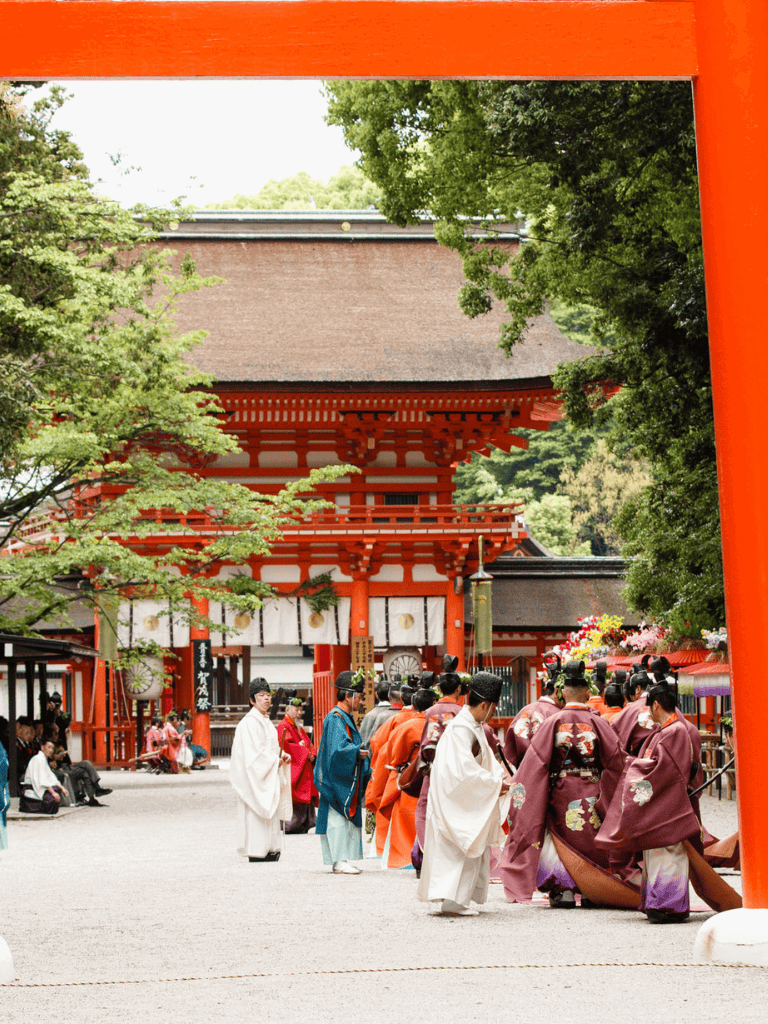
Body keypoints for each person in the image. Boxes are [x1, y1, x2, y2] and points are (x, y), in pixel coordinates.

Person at [597, 679, 742, 922]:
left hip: (668, 803)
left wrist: (632, 766)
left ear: (655, 705)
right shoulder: (668, 731)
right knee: (658, 853)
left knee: (669, 853)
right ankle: (657, 902)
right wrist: (638, 766)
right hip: (662, 801)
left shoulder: (675, 731)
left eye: (648, 707)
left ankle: (669, 906)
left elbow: (666, 770)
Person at [504, 660, 641, 910]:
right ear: (587, 692)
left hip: (561, 791)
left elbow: (535, 764)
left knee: (559, 838)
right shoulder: (599, 723)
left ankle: (563, 888)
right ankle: (591, 888)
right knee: (592, 836)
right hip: (592, 788)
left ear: (563, 692)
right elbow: (617, 763)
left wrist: (532, 792)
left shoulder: (552, 723)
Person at [417, 671, 509, 916]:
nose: (494, 712)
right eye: (493, 707)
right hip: (456, 797)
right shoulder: (461, 728)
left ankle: (458, 900)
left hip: (461, 795)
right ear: (484, 704)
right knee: (462, 843)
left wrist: (496, 780)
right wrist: (494, 784)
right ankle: (453, 901)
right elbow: (463, 772)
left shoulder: (471, 725)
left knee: (466, 844)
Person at [498, 659, 564, 902]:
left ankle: (518, 881)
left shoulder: (525, 711)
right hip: (555, 779)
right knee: (553, 829)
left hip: (525, 777)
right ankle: (551, 879)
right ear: (559, 692)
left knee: (523, 828)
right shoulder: (560, 716)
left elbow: (510, 753)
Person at [368, 687, 437, 869]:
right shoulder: (440, 727)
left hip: (409, 780)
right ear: (434, 705)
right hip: (434, 779)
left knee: (404, 821)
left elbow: (389, 753)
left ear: (414, 705)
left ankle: (405, 857)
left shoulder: (403, 726)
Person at [313, 670, 371, 874]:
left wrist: (356, 751)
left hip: (339, 777)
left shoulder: (340, 717)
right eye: (359, 695)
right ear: (348, 696)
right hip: (335, 780)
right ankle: (339, 860)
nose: (360, 700)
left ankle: (341, 859)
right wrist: (357, 752)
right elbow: (338, 751)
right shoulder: (336, 718)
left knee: (339, 819)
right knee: (336, 820)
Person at [229, 678, 292, 862]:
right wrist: (274, 760)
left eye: (267, 695)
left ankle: (271, 847)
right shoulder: (249, 723)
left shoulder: (265, 722)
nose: (266, 699)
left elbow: (269, 750)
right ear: (252, 700)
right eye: (261, 696)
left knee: (270, 809)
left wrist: (281, 756)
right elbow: (253, 756)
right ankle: (257, 850)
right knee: (256, 811)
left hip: (267, 773)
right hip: (254, 777)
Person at [276, 697, 317, 834]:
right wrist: (304, 752)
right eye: (296, 709)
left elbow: (307, 743)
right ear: (287, 710)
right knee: (294, 798)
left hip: (303, 767)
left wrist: (311, 753)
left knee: (305, 798)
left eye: (300, 710)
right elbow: (286, 746)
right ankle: (291, 826)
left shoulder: (297, 727)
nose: (299, 712)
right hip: (293, 767)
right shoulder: (283, 726)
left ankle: (305, 823)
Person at [19, 740, 67, 814]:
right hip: (32, 789)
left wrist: (62, 788)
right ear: (42, 747)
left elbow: (51, 777)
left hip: (40, 788)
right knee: (52, 800)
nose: (51, 750)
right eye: (49, 747)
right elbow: (41, 779)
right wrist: (53, 792)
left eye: (52, 748)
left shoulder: (43, 759)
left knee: (56, 789)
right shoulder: (37, 759)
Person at [359, 679, 396, 747]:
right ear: (391, 695)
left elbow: (362, 740)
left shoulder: (369, 715)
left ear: (376, 695)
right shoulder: (397, 714)